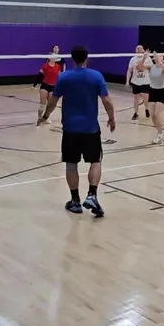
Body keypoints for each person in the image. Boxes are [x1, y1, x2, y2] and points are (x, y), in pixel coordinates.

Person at [39, 46, 117, 217]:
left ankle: (75, 201)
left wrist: (45, 116)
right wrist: (111, 118)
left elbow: (53, 101)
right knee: (95, 161)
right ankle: (92, 195)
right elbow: (107, 100)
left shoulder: (64, 77)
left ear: (72, 59)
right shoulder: (96, 76)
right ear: (87, 58)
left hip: (70, 129)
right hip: (91, 129)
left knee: (71, 163)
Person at [35, 51, 65, 125]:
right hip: (45, 86)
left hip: (53, 87)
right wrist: (34, 85)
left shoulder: (58, 66)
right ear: (49, 58)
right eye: (52, 56)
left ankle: (46, 118)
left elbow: (59, 77)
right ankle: (39, 117)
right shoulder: (45, 66)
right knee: (42, 105)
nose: (54, 58)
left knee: (50, 104)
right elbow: (39, 76)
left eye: (55, 57)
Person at [147, 53, 164, 144]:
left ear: (163, 60)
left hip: (161, 92)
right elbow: (140, 67)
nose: (158, 57)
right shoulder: (151, 67)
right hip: (152, 92)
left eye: (161, 56)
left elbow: (162, 66)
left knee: (157, 114)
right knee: (152, 115)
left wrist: (158, 60)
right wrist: (144, 57)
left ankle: (160, 135)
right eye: (158, 55)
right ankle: (159, 131)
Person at [126, 45, 152, 121]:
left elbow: (151, 67)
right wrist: (127, 81)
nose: (139, 49)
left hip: (145, 81)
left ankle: (147, 109)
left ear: (143, 50)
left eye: (141, 48)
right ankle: (136, 113)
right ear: (135, 50)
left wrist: (146, 66)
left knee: (146, 97)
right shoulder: (132, 59)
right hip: (135, 82)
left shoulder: (148, 58)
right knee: (136, 98)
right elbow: (129, 71)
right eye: (137, 48)